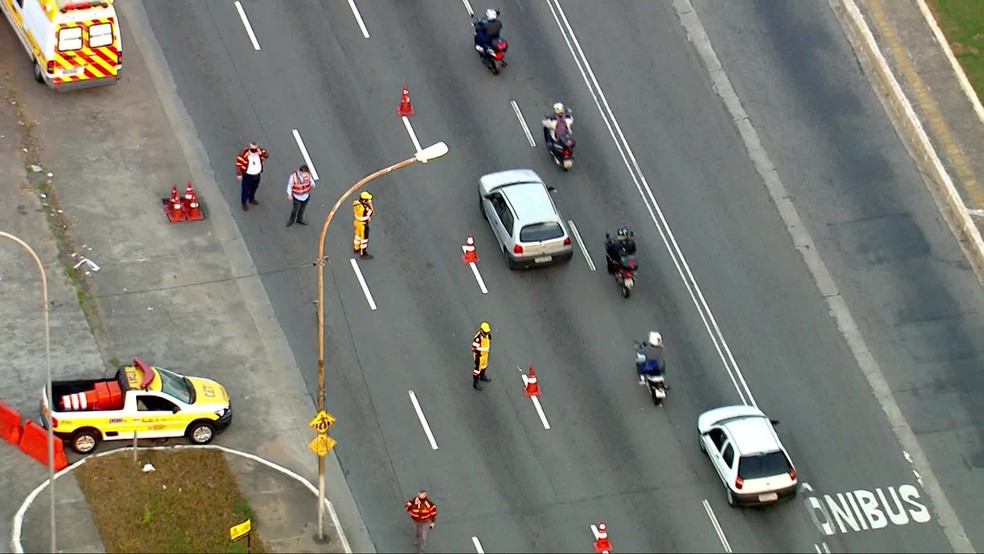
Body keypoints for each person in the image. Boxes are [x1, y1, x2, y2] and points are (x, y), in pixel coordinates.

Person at [235, 141, 268, 212]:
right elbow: (238, 164)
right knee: (245, 189)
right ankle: (244, 203)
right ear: (249, 148)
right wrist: (239, 174)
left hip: (257, 175)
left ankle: (251, 198)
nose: (254, 151)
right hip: (247, 176)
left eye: (255, 149)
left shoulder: (259, 151)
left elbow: (267, 155)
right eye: (252, 149)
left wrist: (261, 153)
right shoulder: (244, 154)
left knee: (254, 187)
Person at [353, 191, 375, 259]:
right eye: (367, 200)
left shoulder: (356, 203)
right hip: (363, 225)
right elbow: (372, 212)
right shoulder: (364, 209)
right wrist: (370, 205)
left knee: (357, 236)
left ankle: (356, 248)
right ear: (364, 200)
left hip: (357, 222)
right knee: (364, 239)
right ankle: (363, 253)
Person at [471, 321, 492, 390]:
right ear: (481, 330)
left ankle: (482, 376)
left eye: (487, 332)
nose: (486, 333)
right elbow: (474, 348)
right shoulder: (477, 338)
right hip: (479, 356)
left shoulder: (487, 335)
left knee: (484, 366)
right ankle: (475, 382)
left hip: (485, 354)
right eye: (485, 332)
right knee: (477, 369)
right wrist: (476, 357)